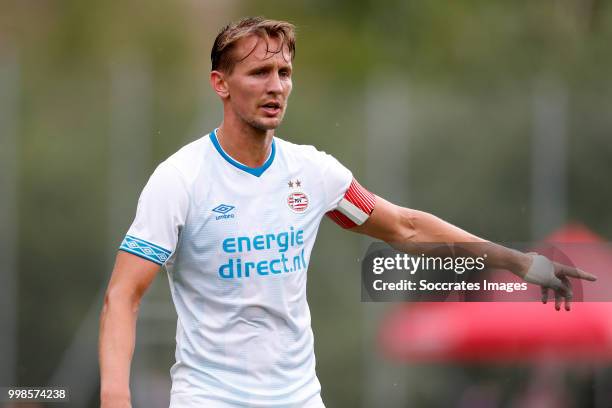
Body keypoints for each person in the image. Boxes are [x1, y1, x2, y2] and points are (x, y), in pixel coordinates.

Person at [98, 17, 596, 408]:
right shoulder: (180, 179)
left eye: (285, 72)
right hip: (210, 399)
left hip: (298, 398)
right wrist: (116, 398)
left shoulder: (314, 173)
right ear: (220, 84)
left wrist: (521, 262)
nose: (276, 86)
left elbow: (404, 226)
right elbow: (123, 295)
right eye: (259, 73)